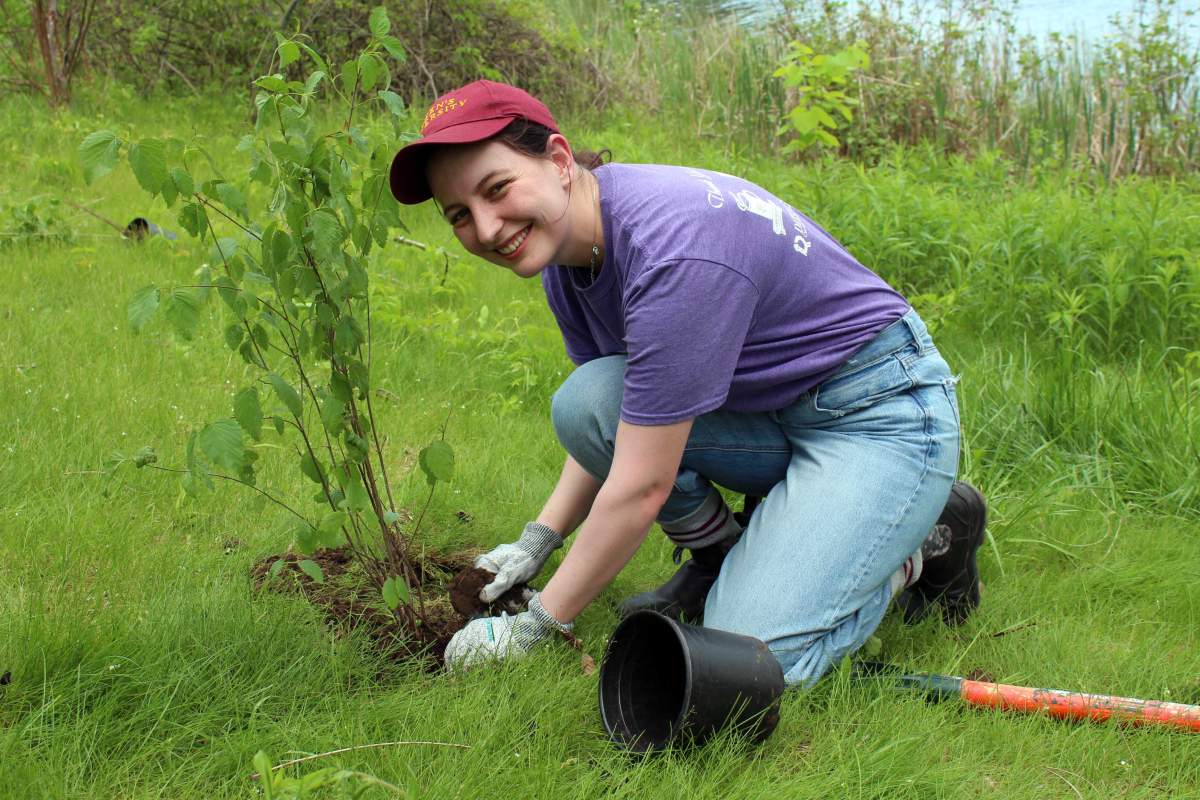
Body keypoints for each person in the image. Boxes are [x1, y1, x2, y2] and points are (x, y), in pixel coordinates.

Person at [388, 80, 987, 685]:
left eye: (497, 189)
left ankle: (920, 545)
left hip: (880, 414)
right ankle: (724, 557)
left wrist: (539, 623)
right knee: (588, 402)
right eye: (460, 215)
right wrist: (536, 542)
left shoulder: (673, 253)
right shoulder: (569, 257)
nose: (487, 229)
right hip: (773, 411)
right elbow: (619, 426)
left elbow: (642, 483)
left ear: (560, 160)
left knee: (744, 659)